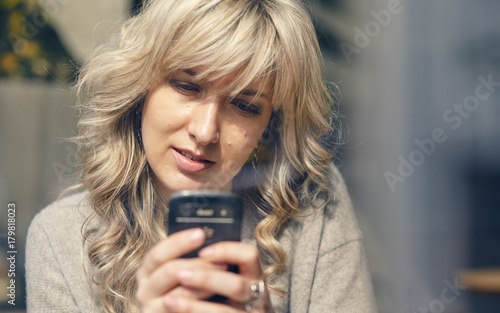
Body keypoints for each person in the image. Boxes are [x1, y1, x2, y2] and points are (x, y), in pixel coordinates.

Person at [26, 0, 377, 312]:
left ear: (270, 124)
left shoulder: (313, 204)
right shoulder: (60, 239)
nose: (206, 131)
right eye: (186, 86)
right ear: (140, 86)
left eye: (244, 105)